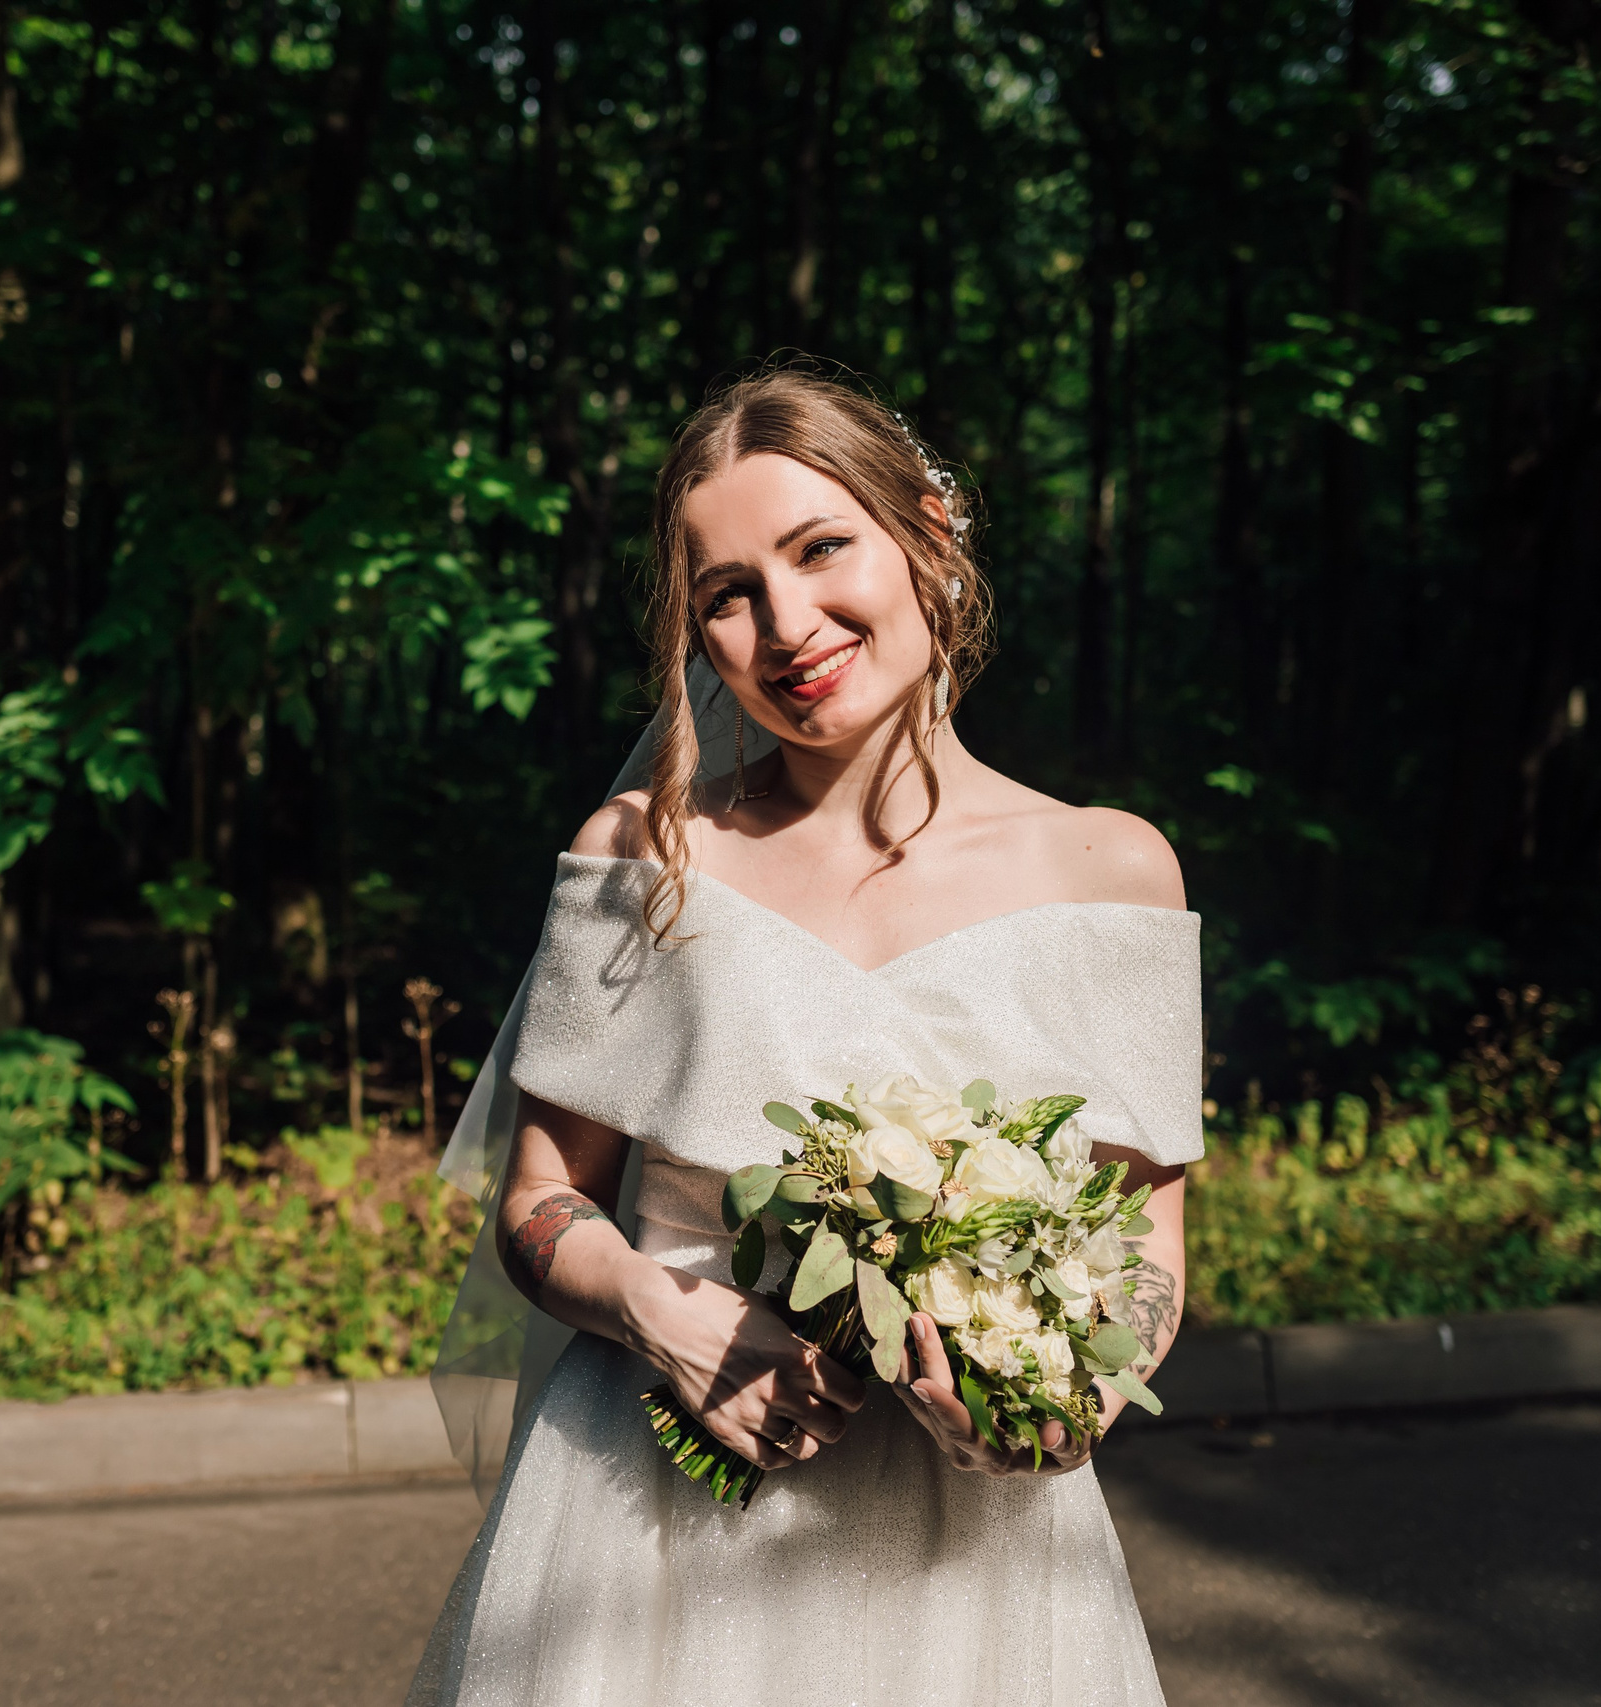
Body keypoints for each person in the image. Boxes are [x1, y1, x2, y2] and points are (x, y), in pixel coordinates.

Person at [409, 368, 1200, 1705]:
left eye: (821, 548)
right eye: (727, 592)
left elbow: (1148, 1246)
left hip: (976, 1563)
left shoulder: (1112, 871)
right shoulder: (644, 857)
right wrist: (664, 1314)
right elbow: (541, 1204)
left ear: (929, 541)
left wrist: (1067, 1409)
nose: (786, 623)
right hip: (653, 1526)